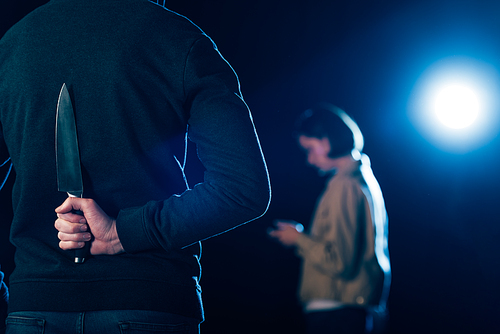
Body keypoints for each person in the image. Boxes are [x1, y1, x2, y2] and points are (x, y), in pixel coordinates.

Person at [0, 0, 271, 333]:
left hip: (33, 308)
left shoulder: (12, 46)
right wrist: (119, 235)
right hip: (149, 304)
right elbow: (242, 190)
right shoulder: (177, 37)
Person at [268, 103, 391, 334]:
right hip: (347, 309)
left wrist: (298, 239)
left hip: (336, 312)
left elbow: (339, 262)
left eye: (310, 149)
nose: (310, 160)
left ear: (326, 141)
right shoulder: (361, 180)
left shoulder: (344, 186)